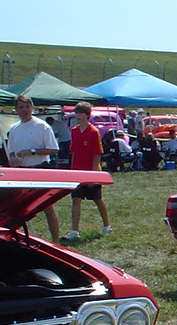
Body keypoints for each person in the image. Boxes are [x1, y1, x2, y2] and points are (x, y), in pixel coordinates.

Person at [6, 95, 60, 239]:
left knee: (47, 206)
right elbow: (11, 150)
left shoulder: (42, 126)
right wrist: (12, 159)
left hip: (40, 169)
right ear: (16, 109)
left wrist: (33, 151)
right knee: (20, 208)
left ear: (32, 107)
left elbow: (54, 149)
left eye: (27, 107)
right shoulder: (14, 129)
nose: (24, 110)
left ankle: (56, 239)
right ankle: (20, 237)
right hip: (22, 172)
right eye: (21, 107)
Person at [62, 101, 111, 241]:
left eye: (80, 113)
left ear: (86, 115)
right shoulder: (75, 131)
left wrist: (93, 174)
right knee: (76, 200)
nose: (77, 115)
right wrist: (72, 172)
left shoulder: (93, 132)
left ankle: (106, 225)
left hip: (91, 171)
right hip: (77, 172)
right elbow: (74, 153)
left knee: (97, 199)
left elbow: (97, 154)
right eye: (76, 112)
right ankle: (74, 230)